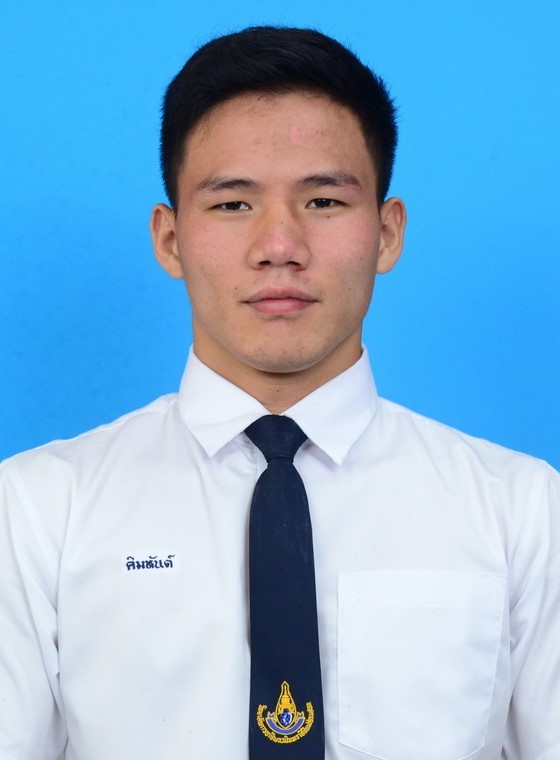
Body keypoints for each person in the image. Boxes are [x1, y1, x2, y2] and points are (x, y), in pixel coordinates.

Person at [0, 25, 558, 760]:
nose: (280, 246)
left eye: (323, 201)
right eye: (233, 205)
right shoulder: (40, 511)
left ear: (387, 233)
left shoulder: (521, 511)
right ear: (170, 239)